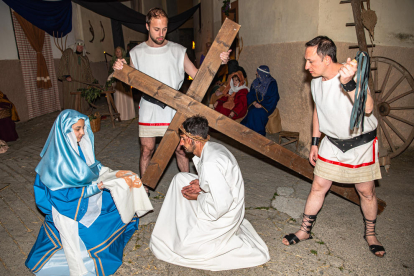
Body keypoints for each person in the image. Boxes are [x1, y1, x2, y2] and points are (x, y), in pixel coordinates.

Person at [282, 36, 385, 258]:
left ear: (327, 59)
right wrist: (315, 142)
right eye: (306, 61)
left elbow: (367, 107)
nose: (306, 67)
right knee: (318, 187)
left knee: (366, 192)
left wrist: (348, 82)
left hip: (361, 144)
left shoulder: (352, 74)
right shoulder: (316, 81)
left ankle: (370, 234)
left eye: (311, 61)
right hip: (332, 143)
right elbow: (318, 110)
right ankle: (304, 231)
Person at [25, 109, 150, 275]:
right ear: (65, 131)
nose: (83, 133)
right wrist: (95, 188)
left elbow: (94, 168)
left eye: (83, 128)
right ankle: (93, 256)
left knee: (118, 198)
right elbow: (62, 197)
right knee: (97, 229)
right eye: (78, 129)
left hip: (82, 196)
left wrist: (116, 174)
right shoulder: (55, 163)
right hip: (68, 208)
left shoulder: (75, 147)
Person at [113, 8, 230, 181]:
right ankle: (143, 189)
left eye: (164, 29)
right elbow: (130, 82)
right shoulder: (136, 53)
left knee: (180, 150)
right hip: (149, 107)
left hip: (175, 108)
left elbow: (199, 76)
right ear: (147, 26)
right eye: (156, 29)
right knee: (147, 150)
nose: (161, 34)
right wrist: (121, 69)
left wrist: (219, 62)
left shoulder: (178, 51)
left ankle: (187, 185)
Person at [149, 115, 270, 271]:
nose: (180, 143)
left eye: (184, 139)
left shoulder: (210, 163)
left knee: (185, 249)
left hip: (225, 215)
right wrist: (202, 184)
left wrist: (199, 196)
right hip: (221, 198)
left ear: (195, 140)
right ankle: (177, 223)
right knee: (180, 178)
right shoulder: (212, 147)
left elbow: (221, 206)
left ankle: (233, 245)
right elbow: (221, 180)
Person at [57, 40, 95, 113]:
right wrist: (66, 76)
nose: (80, 47)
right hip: (71, 83)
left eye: (82, 46)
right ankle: (71, 115)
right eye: (78, 45)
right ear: (75, 46)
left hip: (82, 82)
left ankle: (82, 113)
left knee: (83, 98)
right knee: (71, 99)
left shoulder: (85, 57)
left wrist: (91, 81)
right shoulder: (68, 53)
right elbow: (62, 65)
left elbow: (88, 70)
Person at [241, 65, 279, 136]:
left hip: (266, 106)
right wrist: (254, 103)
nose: (256, 73)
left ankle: (259, 135)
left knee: (258, 113)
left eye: (257, 72)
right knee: (252, 111)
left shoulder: (272, 84)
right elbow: (250, 94)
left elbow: (273, 98)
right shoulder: (255, 82)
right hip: (255, 104)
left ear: (262, 73)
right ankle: (248, 132)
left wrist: (262, 105)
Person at [109, 46, 135, 120]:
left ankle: (129, 115)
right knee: (118, 99)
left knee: (127, 98)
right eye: (116, 51)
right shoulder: (113, 61)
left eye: (119, 51)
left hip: (125, 82)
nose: (117, 53)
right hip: (117, 83)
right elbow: (110, 72)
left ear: (122, 52)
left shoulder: (126, 60)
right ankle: (120, 116)